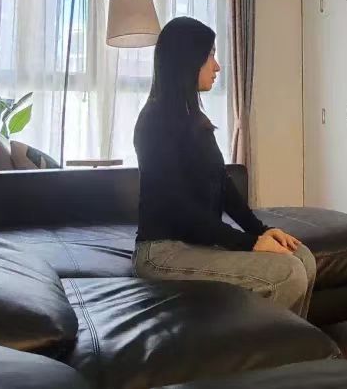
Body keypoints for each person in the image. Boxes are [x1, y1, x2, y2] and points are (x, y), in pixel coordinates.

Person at [132, 16, 315, 318]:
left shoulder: (194, 120)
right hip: (162, 251)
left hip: (196, 243)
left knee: (302, 256)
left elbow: (223, 184)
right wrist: (249, 243)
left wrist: (263, 231)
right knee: (288, 274)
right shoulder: (153, 122)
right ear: (188, 60)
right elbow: (179, 211)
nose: (217, 66)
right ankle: (266, 346)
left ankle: (295, 342)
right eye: (210, 55)